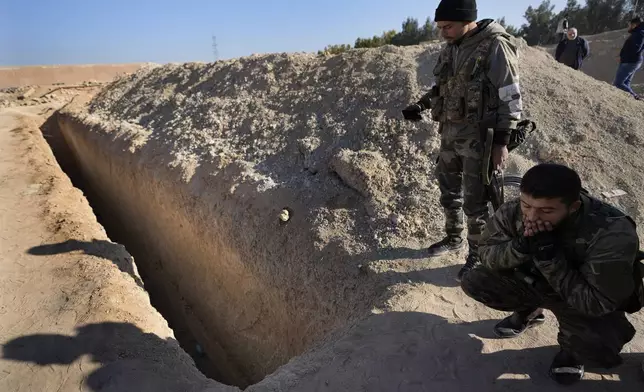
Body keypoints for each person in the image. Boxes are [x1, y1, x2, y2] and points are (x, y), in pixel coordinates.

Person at [461, 163, 644, 385]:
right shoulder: (513, 211)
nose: (532, 216)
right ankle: (529, 311)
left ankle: (571, 352)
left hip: (579, 298)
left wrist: (551, 260)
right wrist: (520, 247)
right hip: (534, 283)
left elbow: (597, 303)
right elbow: (487, 254)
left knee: (599, 347)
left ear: (573, 207)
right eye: (526, 205)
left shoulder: (612, 233)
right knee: (476, 281)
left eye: (546, 211)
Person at [401, 0, 523, 281]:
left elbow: (510, 95)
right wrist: (420, 105)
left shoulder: (494, 46)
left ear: (467, 20)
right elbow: (443, 87)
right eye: (440, 27)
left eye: (448, 26)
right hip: (450, 133)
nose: (443, 32)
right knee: (448, 191)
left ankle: (477, 255)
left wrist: (501, 142)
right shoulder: (451, 48)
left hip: (480, 138)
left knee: (476, 201)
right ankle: (453, 237)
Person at [614, 17, 644, 100]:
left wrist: (623, 57)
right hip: (631, 61)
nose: (629, 26)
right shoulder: (637, 33)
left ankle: (635, 97)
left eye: (630, 24)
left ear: (635, 24)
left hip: (630, 62)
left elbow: (635, 49)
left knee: (618, 83)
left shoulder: (639, 34)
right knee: (626, 83)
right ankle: (628, 100)